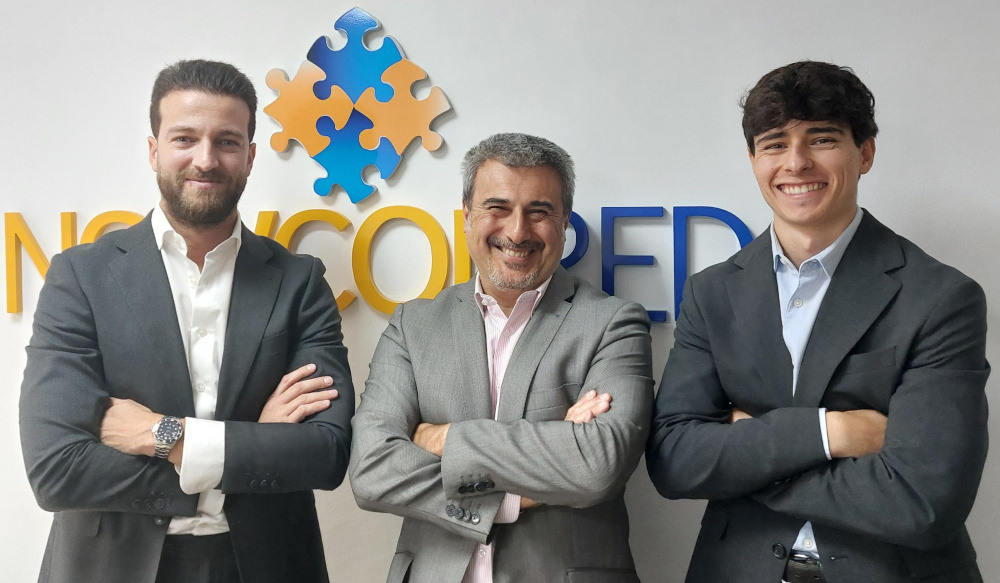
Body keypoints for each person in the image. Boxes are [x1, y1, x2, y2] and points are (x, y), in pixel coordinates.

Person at [646, 60, 989, 583]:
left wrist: (748, 453)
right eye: (775, 144)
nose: (796, 162)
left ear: (865, 152)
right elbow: (675, 460)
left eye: (822, 139)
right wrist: (832, 432)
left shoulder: (941, 297)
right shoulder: (711, 292)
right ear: (753, 160)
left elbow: (923, 502)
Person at [19, 59, 353, 583]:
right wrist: (251, 446)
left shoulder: (299, 282)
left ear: (250, 156)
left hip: (266, 566)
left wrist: (163, 435)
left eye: (227, 141)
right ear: (154, 151)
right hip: (110, 568)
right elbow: (56, 468)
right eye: (184, 139)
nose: (205, 159)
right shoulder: (81, 277)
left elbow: (326, 454)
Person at [350, 133, 654, 583]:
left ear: (564, 222)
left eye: (539, 211)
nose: (516, 232)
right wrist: (515, 494)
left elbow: (598, 465)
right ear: (467, 214)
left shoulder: (613, 322)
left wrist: (443, 438)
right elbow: (372, 470)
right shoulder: (413, 326)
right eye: (498, 207)